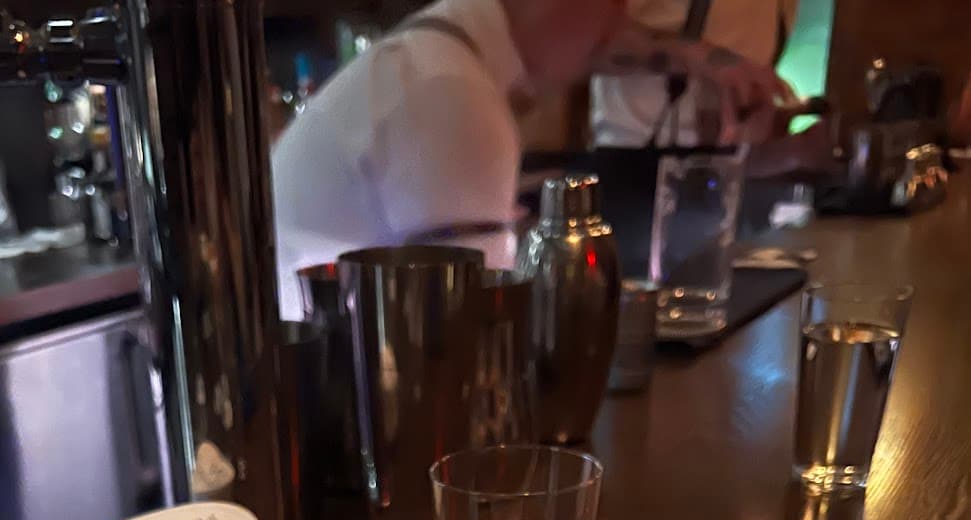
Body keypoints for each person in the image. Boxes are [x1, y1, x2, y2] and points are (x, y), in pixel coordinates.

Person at [272, 0, 789, 309]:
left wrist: (695, 59)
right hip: (326, 411)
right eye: (612, 5)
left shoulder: (429, 60)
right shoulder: (452, 91)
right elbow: (471, 323)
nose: (617, 27)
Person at [592, 0, 798, 147]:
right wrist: (697, 56)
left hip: (725, 179)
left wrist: (783, 144)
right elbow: (580, 46)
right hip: (632, 160)